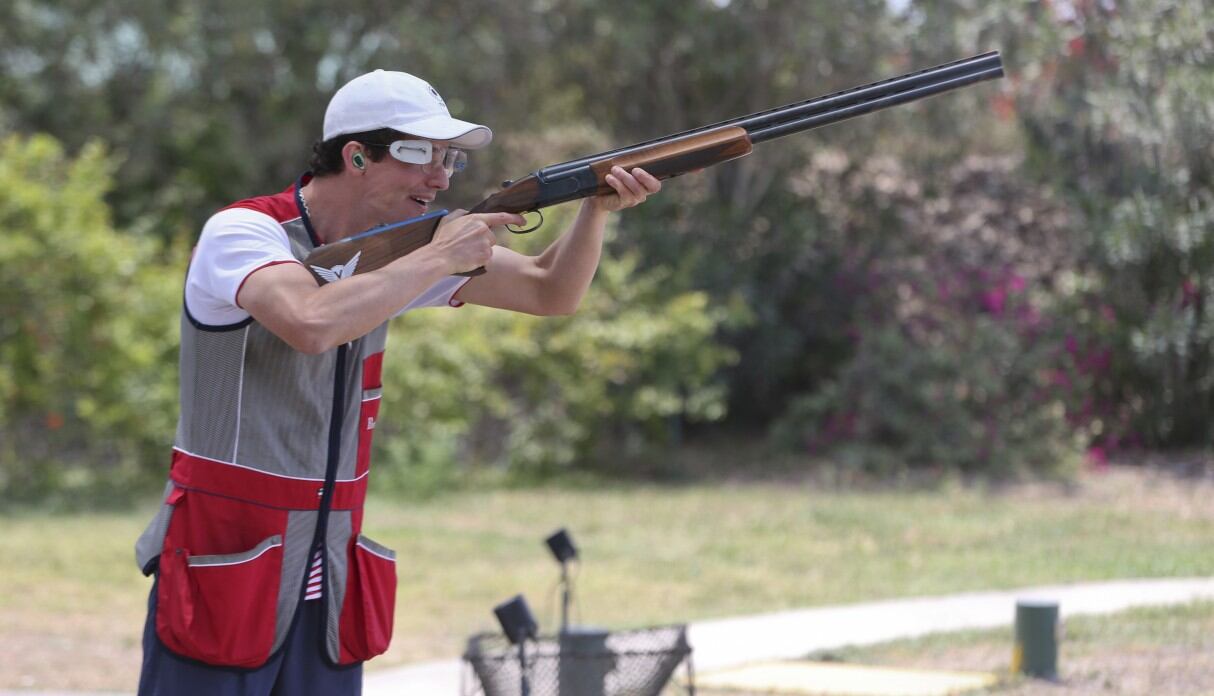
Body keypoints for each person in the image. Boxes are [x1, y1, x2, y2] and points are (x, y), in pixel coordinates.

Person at [133, 68, 661, 695]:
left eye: (448, 160)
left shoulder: (400, 252)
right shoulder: (245, 233)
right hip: (225, 568)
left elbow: (553, 290)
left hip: (329, 578)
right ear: (356, 156)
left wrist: (595, 212)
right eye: (419, 155)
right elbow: (310, 320)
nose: (440, 177)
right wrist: (440, 255)